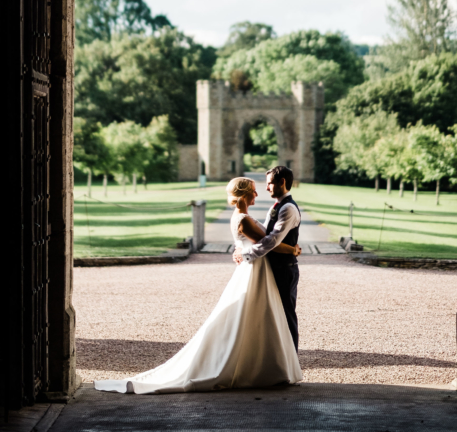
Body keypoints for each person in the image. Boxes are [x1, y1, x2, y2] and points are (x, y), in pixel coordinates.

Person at [93, 176, 302, 394]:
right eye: (253, 190)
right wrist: (293, 249)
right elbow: (270, 244)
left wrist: (243, 250)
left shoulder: (240, 217)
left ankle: (262, 364)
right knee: (253, 316)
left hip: (254, 269)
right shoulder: (245, 220)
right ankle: (257, 367)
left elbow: (262, 242)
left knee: (255, 317)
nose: (257, 194)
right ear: (243, 193)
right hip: (254, 271)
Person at [233, 165, 301, 351]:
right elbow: (263, 234)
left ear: (282, 182)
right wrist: (240, 246)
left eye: (270, 184)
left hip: (284, 269)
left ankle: (291, 361)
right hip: (273, 267)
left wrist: (245, 253)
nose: (266, 188)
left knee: (286, 315)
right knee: (272, 316)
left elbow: (271, 241)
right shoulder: (276, 206)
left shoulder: (288, 209)